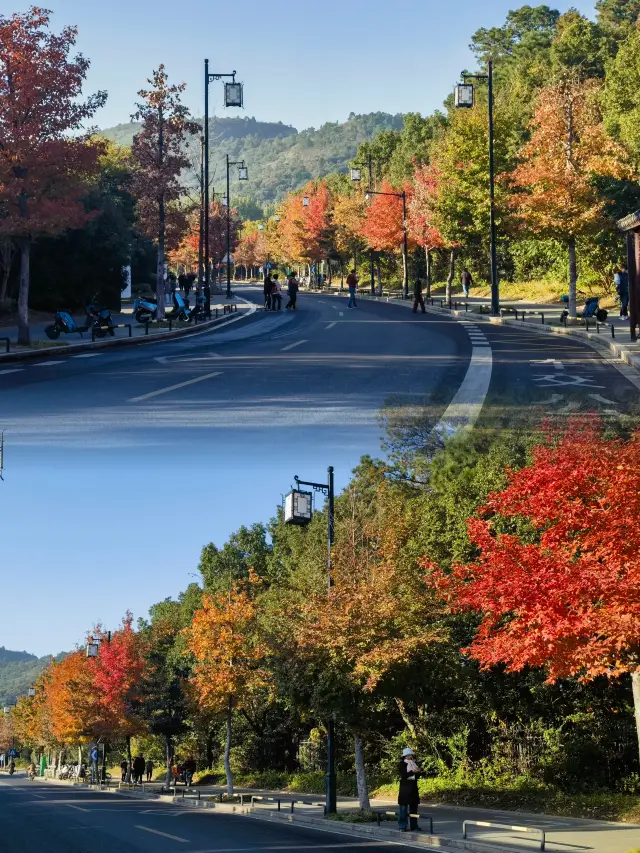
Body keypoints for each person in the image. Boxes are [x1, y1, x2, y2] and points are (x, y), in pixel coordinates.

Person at [397, 748, 422, 833]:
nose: (410, 756)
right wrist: (413, 771)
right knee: (403, 808)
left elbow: (417, 775)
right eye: (409, 755)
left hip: (413, 787)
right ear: (405, 756)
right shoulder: (402, 764)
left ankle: (414, 826)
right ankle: (402, 826)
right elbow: (404, 775)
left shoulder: (414, 763)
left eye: (411, 755)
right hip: (405, 788)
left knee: (414, 808)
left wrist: (419, 771)